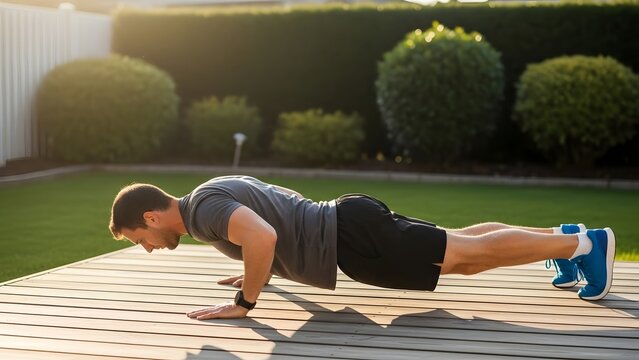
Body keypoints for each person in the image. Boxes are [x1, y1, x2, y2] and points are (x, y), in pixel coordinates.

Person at [108, 175, 615, 320]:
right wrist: (255, 271)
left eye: (140, 239)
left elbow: (264, 236)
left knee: (465, 257)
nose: (148, 248)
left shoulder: (201, 213)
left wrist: (245, 304)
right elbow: (270, 226)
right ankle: (559, 240)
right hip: (349, 228)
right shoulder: (208, 196)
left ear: (150, 217)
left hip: (350, 237)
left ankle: (583, 245)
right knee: (461, 252)